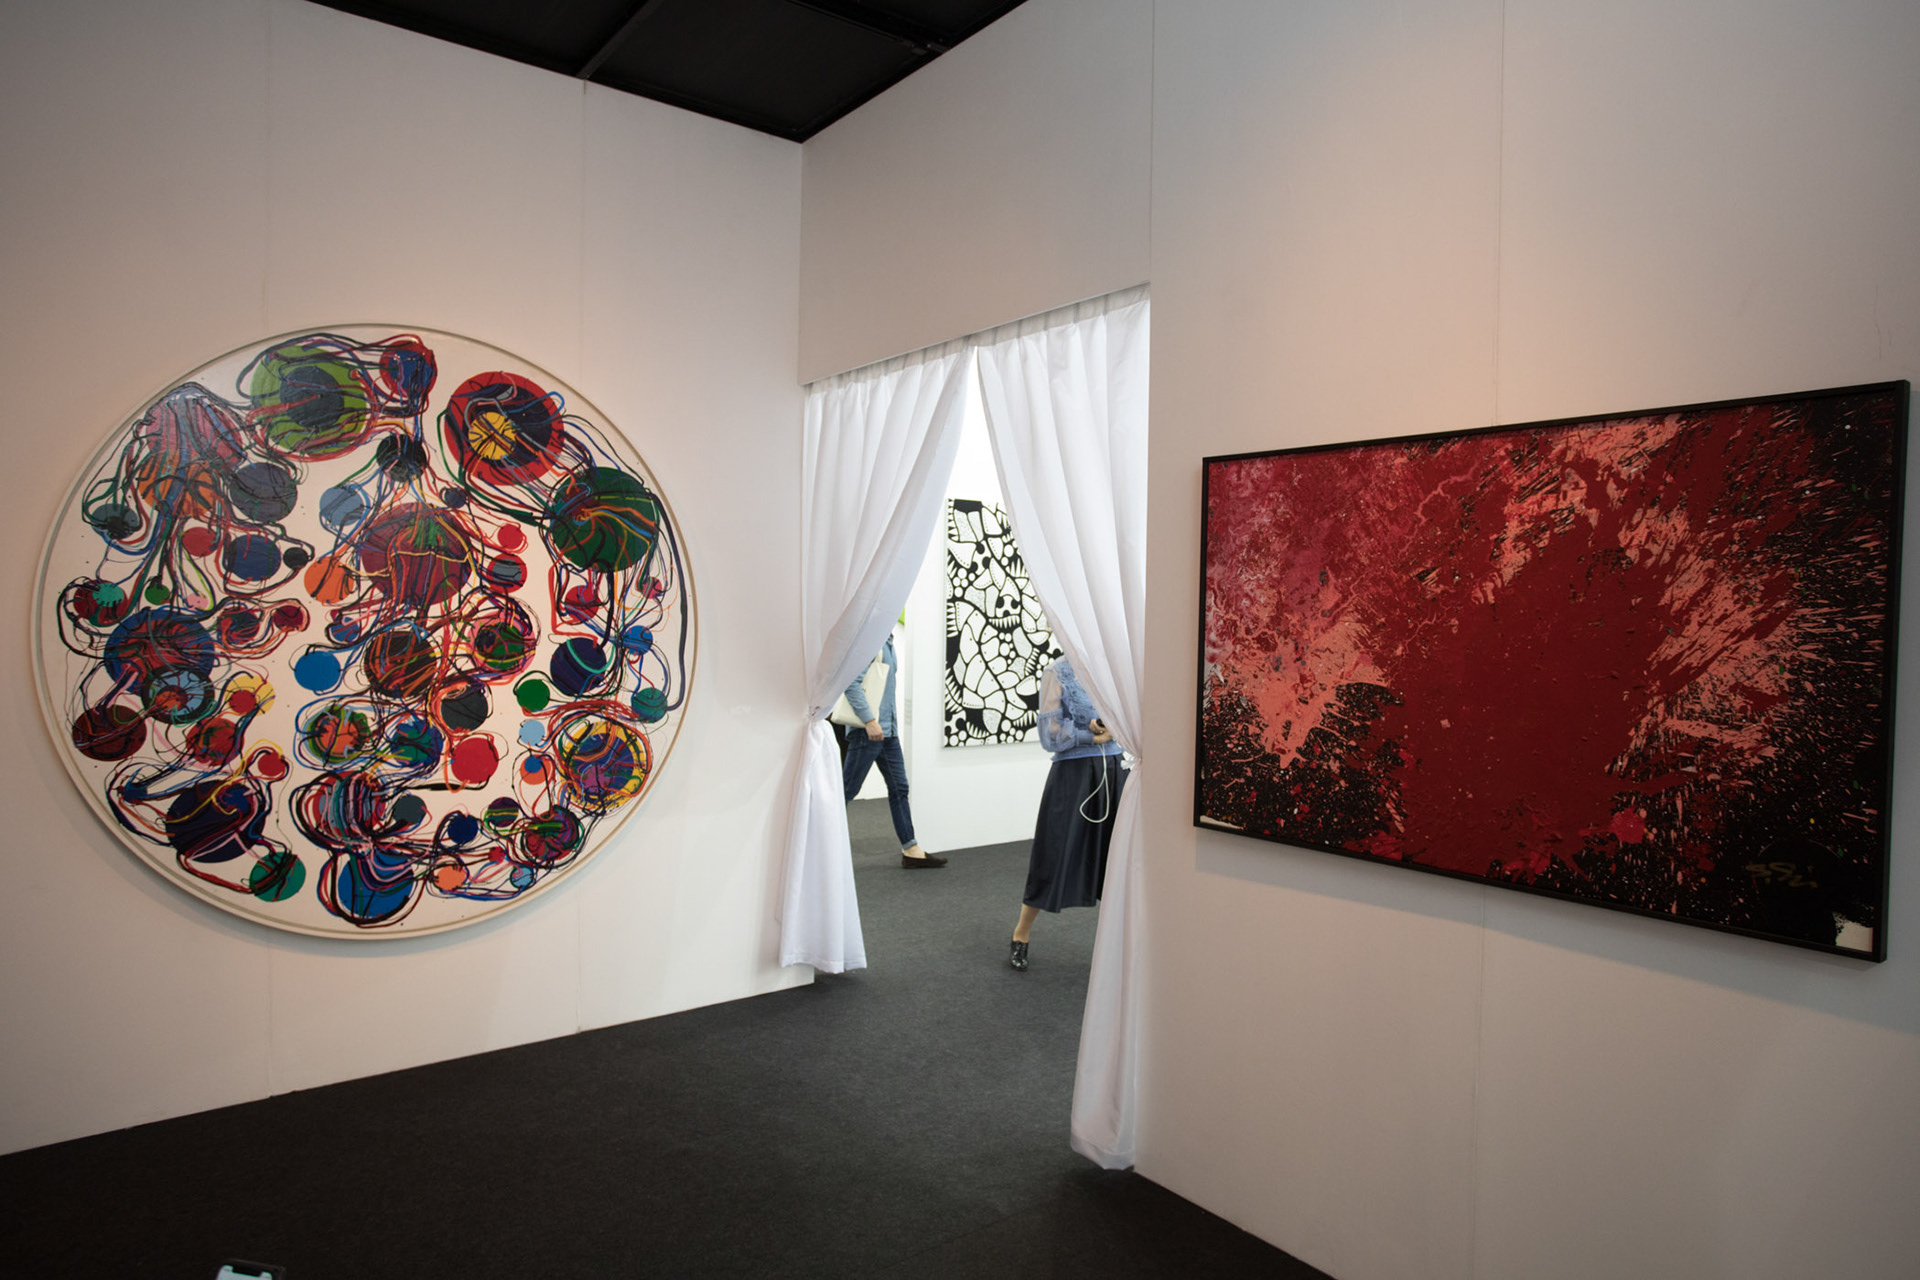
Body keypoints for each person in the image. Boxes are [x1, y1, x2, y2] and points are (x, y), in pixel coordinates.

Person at [1009, 656, 1127, 970]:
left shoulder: (1113, 664)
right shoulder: (1058, 671)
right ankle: (1021, 933)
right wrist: (1090, 734)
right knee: (1053, 852)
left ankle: (1123, 944)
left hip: (1114, 770)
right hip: (1073, 775)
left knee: (1117, 859)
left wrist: (1110, 728)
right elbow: (1049, 735)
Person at [843, 632, 945, 868]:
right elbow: (851, 684)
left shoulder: (888, 642)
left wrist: (888, 725)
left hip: (888, 732)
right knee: (846, 790)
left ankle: (911, 849)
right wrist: (869, 721)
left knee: (900, 788)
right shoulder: (869, 641)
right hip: (868, 731)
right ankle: (814, 844)